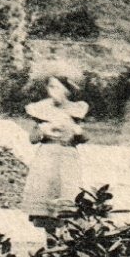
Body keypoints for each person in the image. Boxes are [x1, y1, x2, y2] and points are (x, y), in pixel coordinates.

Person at [20, 75, 90, 215]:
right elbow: (32, 139)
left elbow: (84, 138)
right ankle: (50, 235)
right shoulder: (42, 108)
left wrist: (76, 132)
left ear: (67, 90)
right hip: (47, 155)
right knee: (45, 194)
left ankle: (65, 233)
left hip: (68, 155)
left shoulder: (76, 109)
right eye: (50, 87)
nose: (53, 91)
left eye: (57, 87)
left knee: (67, 194)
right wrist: (44, 131)